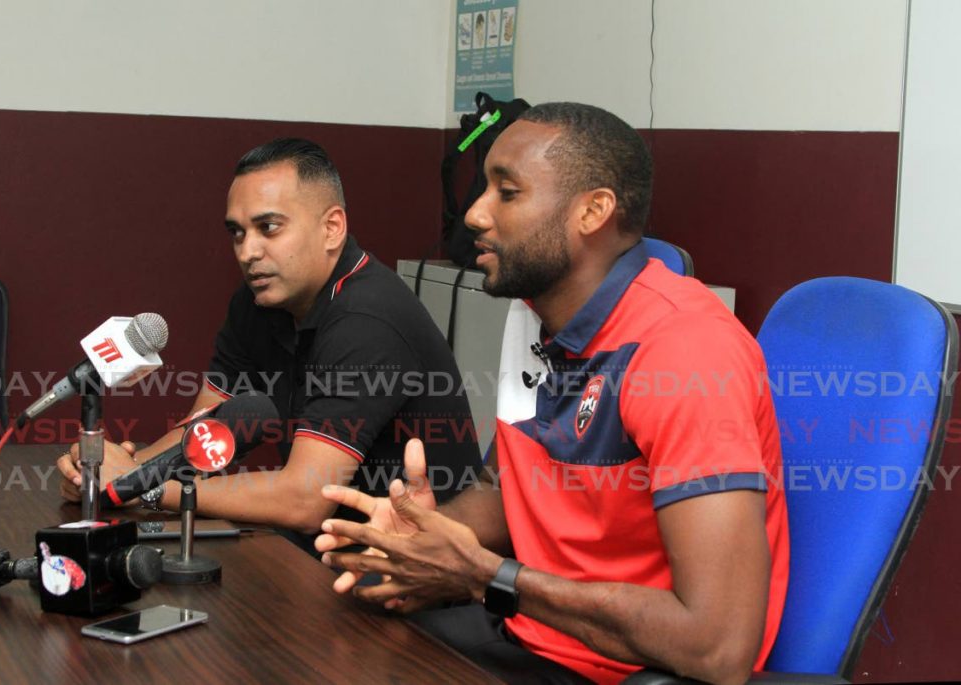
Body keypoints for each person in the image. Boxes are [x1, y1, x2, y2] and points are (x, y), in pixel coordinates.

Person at [315, 103, 789, 684]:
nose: (475, 214)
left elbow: (717, 646)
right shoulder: (534, 312)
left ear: (593, 210)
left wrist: (482, 576)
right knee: (319, 641)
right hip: (525, 632)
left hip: (623, 669)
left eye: (506, 193)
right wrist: (432, 537)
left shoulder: (686, 354)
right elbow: (511, 484)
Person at [57, 138, 482, 548]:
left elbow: (306, 498)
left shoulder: (368, 320)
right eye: (237, 233)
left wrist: (138, 486)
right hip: (323, 552)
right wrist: (109, 472)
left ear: (332, 228)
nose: (248, 251)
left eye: (268, 228)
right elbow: (202, 437)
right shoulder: (257, 303)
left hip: (418, 572)